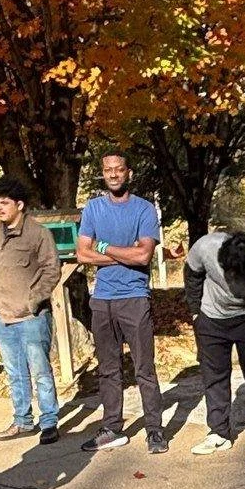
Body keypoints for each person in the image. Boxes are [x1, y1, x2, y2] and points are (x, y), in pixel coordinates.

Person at [76, 153, 167, 454]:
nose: (113, 174)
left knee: (144, 369)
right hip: (102, 300)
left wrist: (102, 246)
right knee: (108, 370)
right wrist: (123, 252)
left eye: (119, 169)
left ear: (128, 173)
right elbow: (82, 255)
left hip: (134, 298)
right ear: (103, 174)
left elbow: (144, 256)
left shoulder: (143, 209)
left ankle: (154, 430)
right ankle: (112, 428)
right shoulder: (93, 208)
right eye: (108, 170)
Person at [186, 229, 245, 463]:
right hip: (211, 318)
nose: (232, 280)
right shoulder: (206, 247)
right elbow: (191, 274)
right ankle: (219, 432)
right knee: (214, 376)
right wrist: (195, 314)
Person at [0, 175, 63, 444]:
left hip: (31, 317)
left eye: (4, 202)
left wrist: (34, 300)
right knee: (14, 372)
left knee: (40, 370)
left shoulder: (38, 234)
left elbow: (52, 270)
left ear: (20, 204)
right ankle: (22, 421)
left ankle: (49, 420)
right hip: (2, 316)